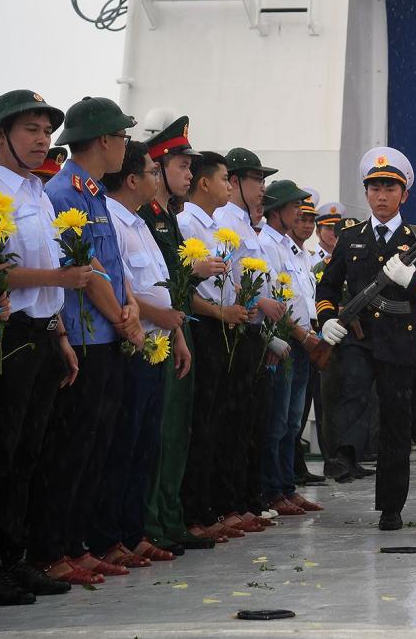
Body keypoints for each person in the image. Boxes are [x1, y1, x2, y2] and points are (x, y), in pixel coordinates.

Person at [0, 92, 81, 604]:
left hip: (38, 334)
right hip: (2, 336)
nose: (42, 140)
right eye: (31, 129)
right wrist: (61, 277)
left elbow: (41, 269)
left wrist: (59, 334)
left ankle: (15, 557)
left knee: (28, 451)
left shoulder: (36, 191)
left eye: (47, 131)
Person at [30, 96, 144, 583]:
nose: (125, 146)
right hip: (82, 336)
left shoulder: (95, 193)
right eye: (121, 137)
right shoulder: (64, 194)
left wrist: (130, 306)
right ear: (103, 140)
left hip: (106, 334)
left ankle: (77, 542)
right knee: (70, 449)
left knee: (97, 448)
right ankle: (52, 549)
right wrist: (125, 318)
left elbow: (111, 268)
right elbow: (84, 270)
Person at [317, 146, 416, 531]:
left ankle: (391, 505)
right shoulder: (351, 237)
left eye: (390, 188)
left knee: (394, 424)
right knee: (353, 388)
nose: (381, 195)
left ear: (404, 194)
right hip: (359, 338)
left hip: (400, 342)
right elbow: (327, 287)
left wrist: (412, 283)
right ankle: (343, 453)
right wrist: (327, 319)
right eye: (374, 188)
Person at [92, 141, 194, 566]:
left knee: (146, 445)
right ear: (133, 180)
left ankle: (133, 533)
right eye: (153, 172)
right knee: (124, 445)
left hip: (157, 343)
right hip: (131, 344)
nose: (158, 178)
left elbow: (161, 289)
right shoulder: (113, 222)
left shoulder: (140, 224)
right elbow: (123, 290)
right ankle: (110, 535)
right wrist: (158, 319)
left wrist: (176, 333)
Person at [138, 116, 223, 554]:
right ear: (157, 164)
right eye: (181, 166)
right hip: (152, 334)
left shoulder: (167, 219)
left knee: (178, 432)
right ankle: (153, 521)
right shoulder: (145, 217)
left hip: (174, 333)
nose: (189, 175)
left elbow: (175, 288)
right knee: (162, 433)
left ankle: (170, 517)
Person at [176, 151, 245, 543]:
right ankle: (194, 512)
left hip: (223, 324)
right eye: (225, 179)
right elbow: (187, 289)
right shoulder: (188, 222)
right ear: (205, 183)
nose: (228, 187)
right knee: (200, 424)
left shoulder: (213, 224)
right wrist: (221, 314)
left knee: (217, 424)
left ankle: (209, 507)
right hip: (204, 326)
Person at [213, 148, 283, 530]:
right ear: (236, 181)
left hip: (253, 332)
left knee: (250, 423)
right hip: (232, 330)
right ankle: (230, 503)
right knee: (233, 422)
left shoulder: (246, 224)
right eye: (256, 180)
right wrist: (259, 302)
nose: (262, 189)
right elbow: (229, 280)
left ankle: (244, 500)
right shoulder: (225, 221)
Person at [258, 179, 326, 519]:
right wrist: (298, 335)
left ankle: (286, 486)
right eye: (291, 206)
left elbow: (301, 299)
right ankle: (272, 489)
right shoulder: (266, 244)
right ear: (277, 211)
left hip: (302, 341)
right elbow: (274, 300)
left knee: (293, 420)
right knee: (278, 421)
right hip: (285, 341)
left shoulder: (291, 248)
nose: (298, 211)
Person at [288, 190, 326, 485]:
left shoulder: (305, 256)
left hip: (309, 335)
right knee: (287, 416)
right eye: (302, 219)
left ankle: (294, 469)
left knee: (299, 408)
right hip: (290, 336)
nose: (307, 225)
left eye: (311, 220)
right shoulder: (283, 248)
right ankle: (288, 472)